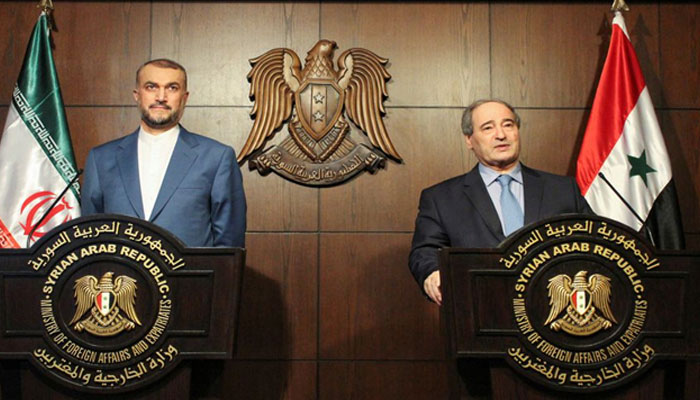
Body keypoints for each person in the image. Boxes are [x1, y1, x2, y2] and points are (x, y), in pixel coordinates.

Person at [409, 99, 591, 304]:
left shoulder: (562, 190)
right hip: (479, 311)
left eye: (508, 125)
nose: (501, 135)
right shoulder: (441, 198)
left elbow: (595, 243)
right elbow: (424, 251)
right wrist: (432, 273)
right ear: (469, 140)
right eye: (488, 128)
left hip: (554, 312)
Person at [81, 59, 246, 247]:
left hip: (189, 276)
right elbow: (90, 239)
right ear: (137, 95)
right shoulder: (101, 159)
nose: (161, 97)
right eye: (151, 87)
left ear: (185, 97)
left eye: (172, 88)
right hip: (121, 275)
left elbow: (229, 246)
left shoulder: (216, 158)